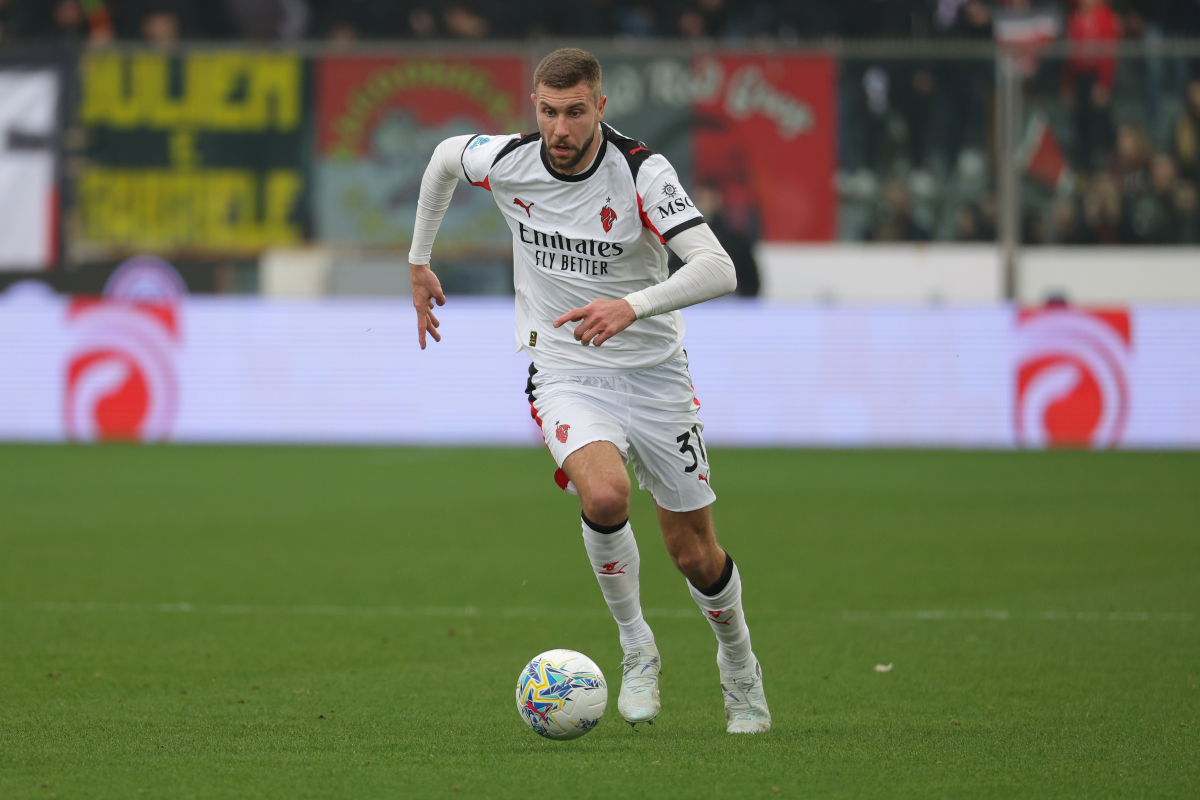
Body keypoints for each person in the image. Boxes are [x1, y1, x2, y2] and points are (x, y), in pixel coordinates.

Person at [406, 48, 770, 734]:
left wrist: (633, 305)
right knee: (604, 495)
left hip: (656, 375)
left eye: (575, 112)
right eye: (548, 112)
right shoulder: (509, 160)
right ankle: (637, 649)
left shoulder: (641, 173)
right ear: (535, 106)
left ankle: (739, 665)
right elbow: (445, 158)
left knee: (694, 553)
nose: (560, 128)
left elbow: (718, 268)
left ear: (600, 107)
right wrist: (419, 260)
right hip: (565, 370)